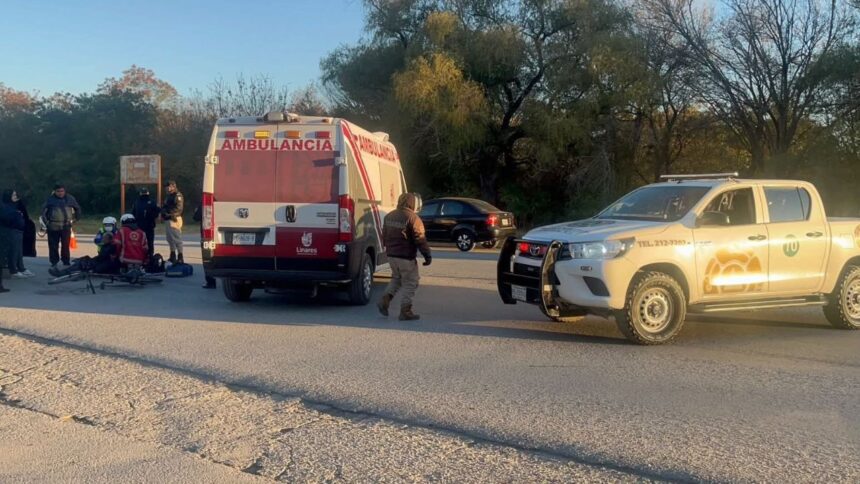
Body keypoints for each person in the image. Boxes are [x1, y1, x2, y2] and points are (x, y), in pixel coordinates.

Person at [377, 193, 432, 321]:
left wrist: (388, 249)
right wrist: (427, 255)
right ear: (412, 203)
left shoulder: (389, 216)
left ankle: (384, 301)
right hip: (406, 257)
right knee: (411, 282)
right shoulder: (413, 218)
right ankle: (405, 311)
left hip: (391, 255)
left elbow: (383, 235)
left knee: (396, 278)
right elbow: (420, 239)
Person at [42, 184, 81, 270]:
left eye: (62, 191)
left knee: (65, 245)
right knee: (53, 245)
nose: (60, 193)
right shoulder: (50, 200)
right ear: (55, 191)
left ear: (65, 191)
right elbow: (43, 212)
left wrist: (76, 219)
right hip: (53, 226)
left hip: (66, 226)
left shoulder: (70, 198)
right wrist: (47, 223)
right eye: (58, 191)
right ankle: (54, 261)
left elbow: (77, 208)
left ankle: (66, 261)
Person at [50, 232, 121, 277]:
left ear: (109, 239)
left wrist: (95, 268)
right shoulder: (106, 246)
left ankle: (61, 273)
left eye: (104, 238)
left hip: (98, 264)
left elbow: (104, 259)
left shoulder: (110, 247)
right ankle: (62, 272)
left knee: (81, 264)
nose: (102, 239)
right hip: (97, 262)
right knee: (82, 261)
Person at [2, 190, 34, 278]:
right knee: (13, 251)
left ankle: (21, 267)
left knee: (19, 251)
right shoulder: (5, 206)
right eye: (13, 195)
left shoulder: (17, 205)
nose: (15, 197)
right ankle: (13, 270)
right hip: (11, 230)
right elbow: (7, 217)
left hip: (19, 230)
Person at [132, 187, 159, 259]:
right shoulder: (151, 201)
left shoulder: (137, 202)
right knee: (148, 241)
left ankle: (145, 255)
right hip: (147, 225)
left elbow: (133, 213)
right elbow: (156, 213)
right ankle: (149, 255)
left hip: (142, 225)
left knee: (142, 241)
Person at [161, 180, 184, 264]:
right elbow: (165, 206)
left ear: (173, 186)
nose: (167, 188)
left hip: (174, 219)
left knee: (177, 239)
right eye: (166, 187)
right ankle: (173, 255)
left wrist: (169, 213)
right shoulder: (169, 196)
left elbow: (179, 208)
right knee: (170, 239)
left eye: (169, 186)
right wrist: (163, 211)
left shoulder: (178, 195)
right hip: (168, 219)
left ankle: (180, 256)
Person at [193, 205, 216, 289]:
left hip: (207, 235)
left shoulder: (204, 202)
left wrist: (196, 210)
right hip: (217, 233)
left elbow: (196, 217)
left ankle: (210, 281)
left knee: (207, 257)